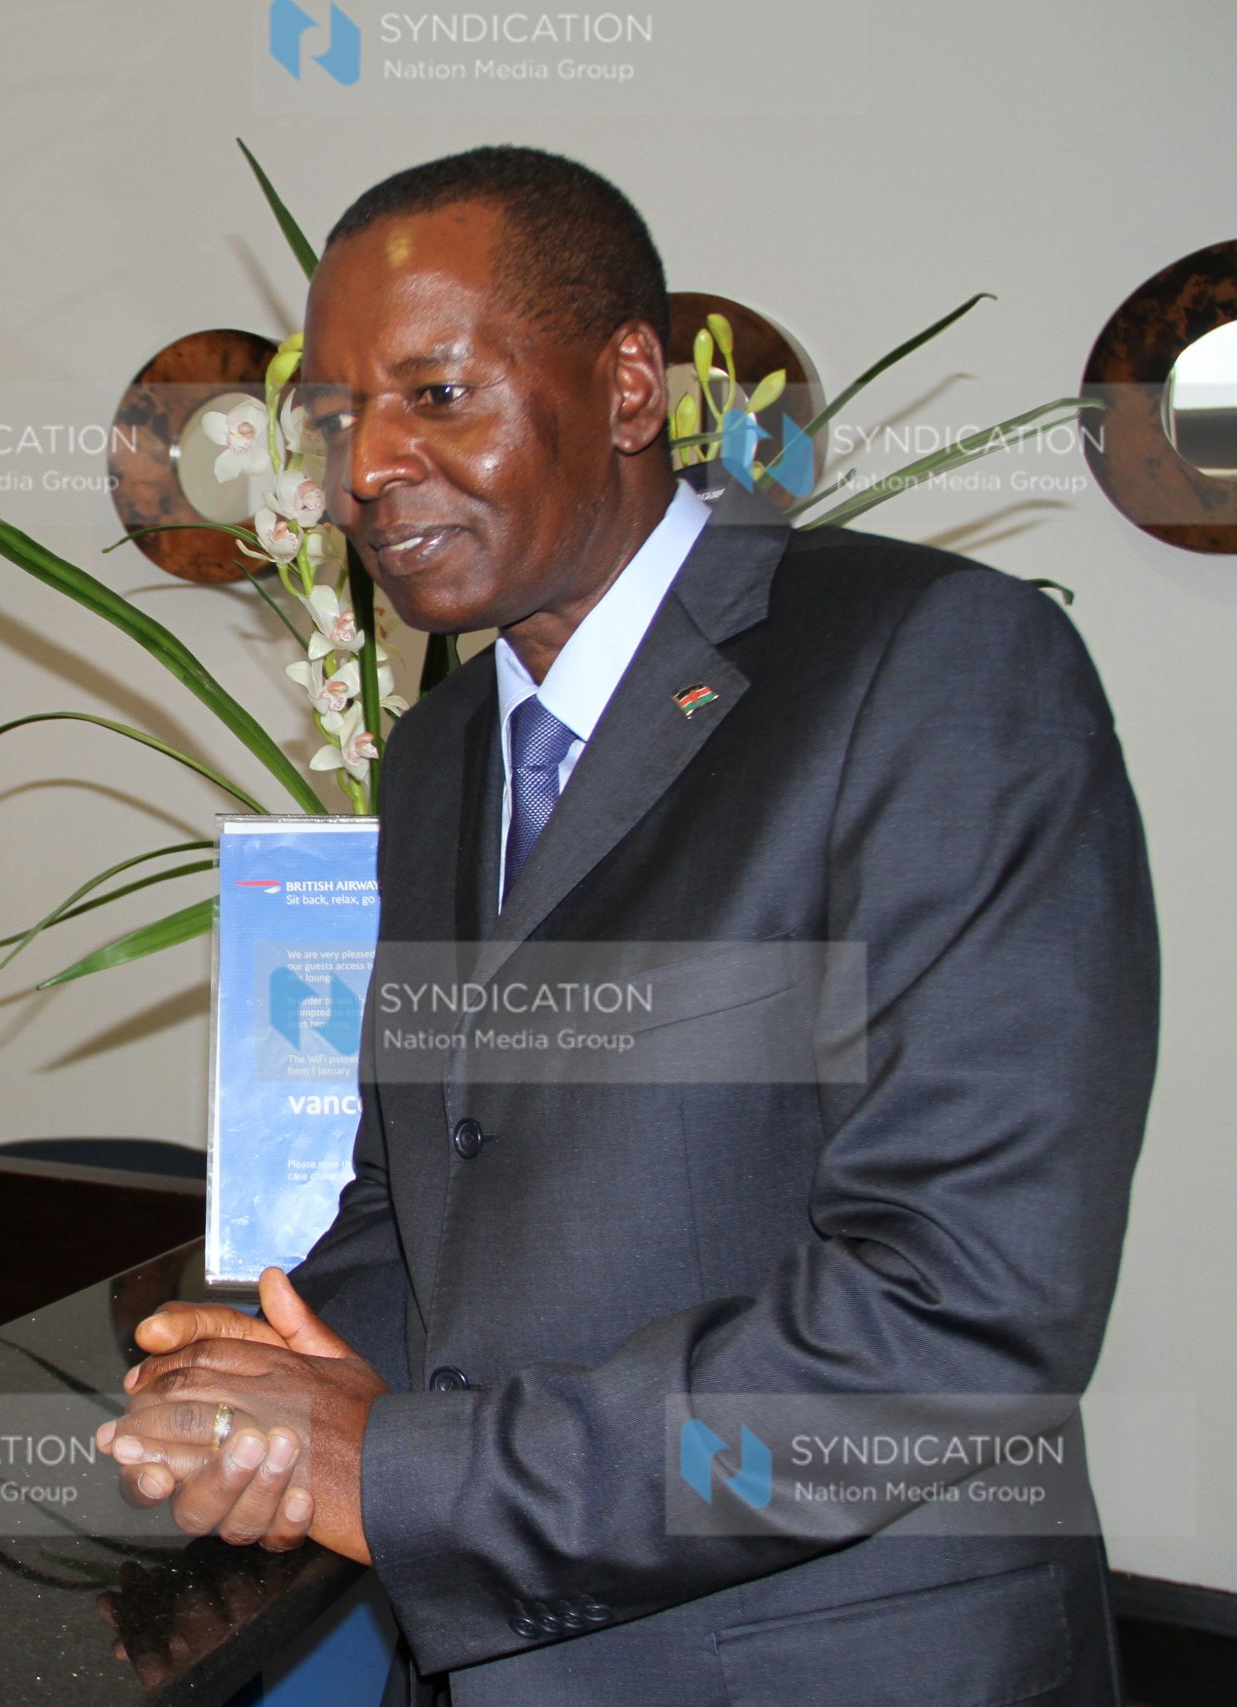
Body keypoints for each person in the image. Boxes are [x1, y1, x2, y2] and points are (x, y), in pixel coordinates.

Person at [98, 148, 1157, 1704]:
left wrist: (397, 1471)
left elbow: (957, 1304)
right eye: (333, 418)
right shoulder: (444, 756)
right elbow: (423, 1192)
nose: (367, 466)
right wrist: (274, 1377)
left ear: (630, 385)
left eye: (436, 393)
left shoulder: (934, 668)